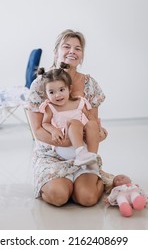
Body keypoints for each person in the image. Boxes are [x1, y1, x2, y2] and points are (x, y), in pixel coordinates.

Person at [27, 29, 109, 207]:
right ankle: (66, 182)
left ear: (82, 55)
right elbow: (39, 131)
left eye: (78, 48)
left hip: (84, 155)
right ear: (56, 51)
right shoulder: (40, 84)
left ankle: (92, 179)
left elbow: (92, 123)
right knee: (59, 196)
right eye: (67, 46)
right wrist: (69, 143)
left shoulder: (90, 84)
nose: (72, 51)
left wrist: (99, 134)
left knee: (87, 198)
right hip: (52, 154)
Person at [38, 62, 100, 170]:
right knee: (74, 122)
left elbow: (91, 118)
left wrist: (98, 128)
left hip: (85, 144)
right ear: (46, 94)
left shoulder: (80, 102)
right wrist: (53, 130)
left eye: (61, 90)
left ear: (69, 89)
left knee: (92, 124)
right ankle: (81, 155)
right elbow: (45, 123)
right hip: (65, 145)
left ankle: (92, 157)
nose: (57, 95)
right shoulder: (50, 107)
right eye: (52, 92)